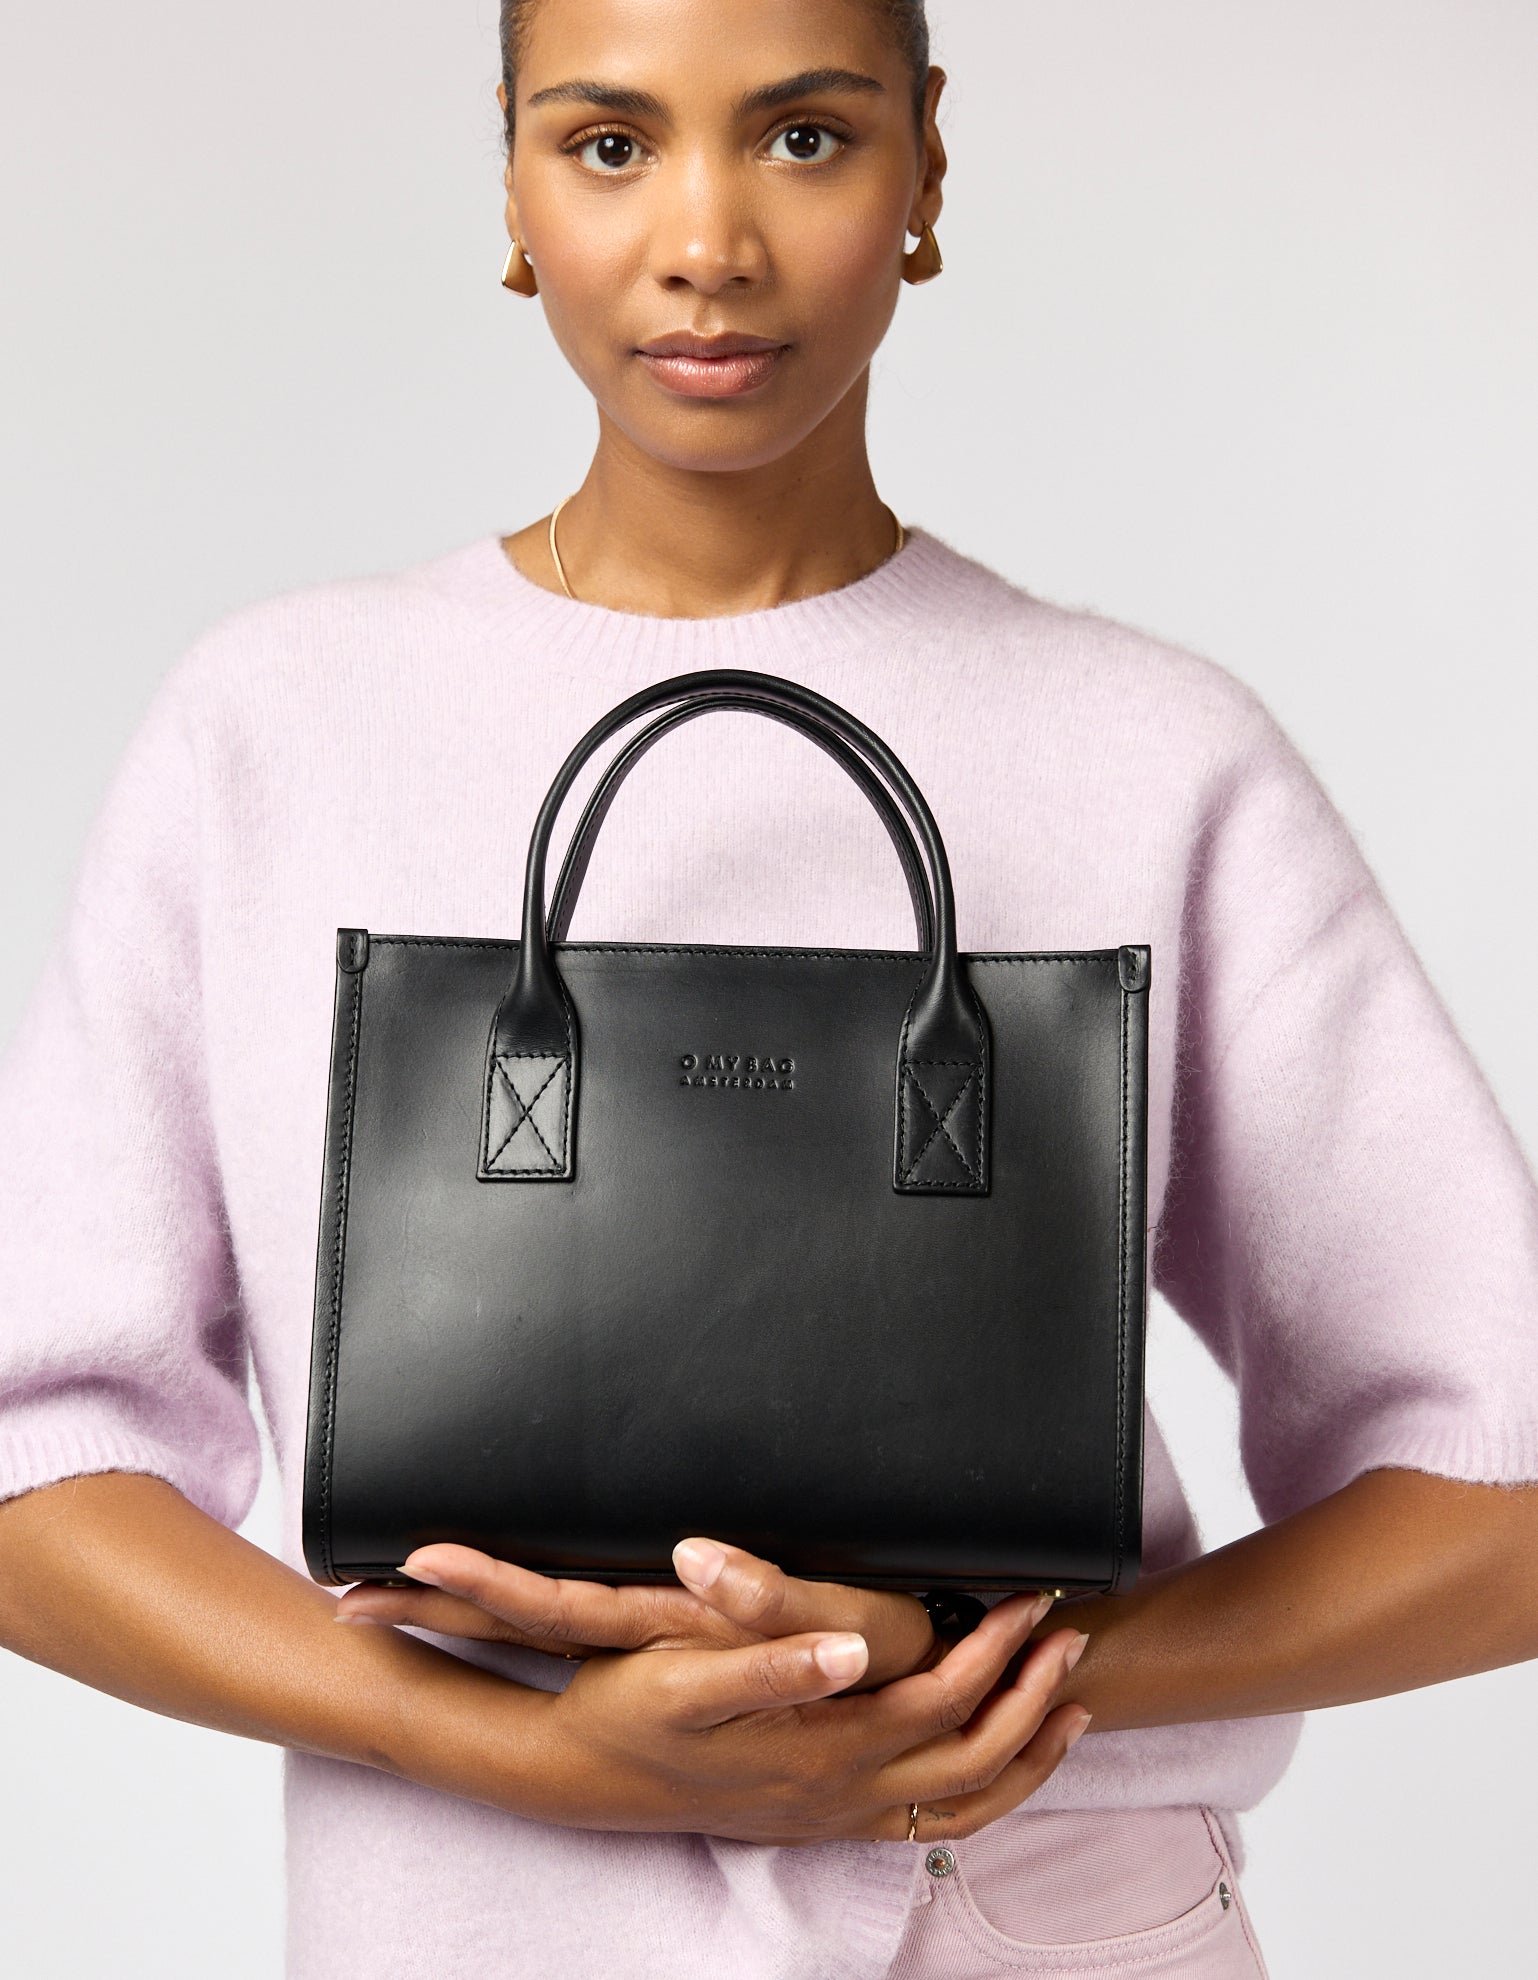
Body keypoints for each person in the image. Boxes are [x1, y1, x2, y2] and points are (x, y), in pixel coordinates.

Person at [1, 2, 1536, 1975]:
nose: (706, 245)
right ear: (511, 183)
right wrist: (493, 1743)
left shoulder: (1150, 751)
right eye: (610, 144)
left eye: (804, 137)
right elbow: (36, 1458)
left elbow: (1501, 1494)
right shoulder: (276, 729)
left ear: (924, 168)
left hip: (1033, 1924)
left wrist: (981, 1672)